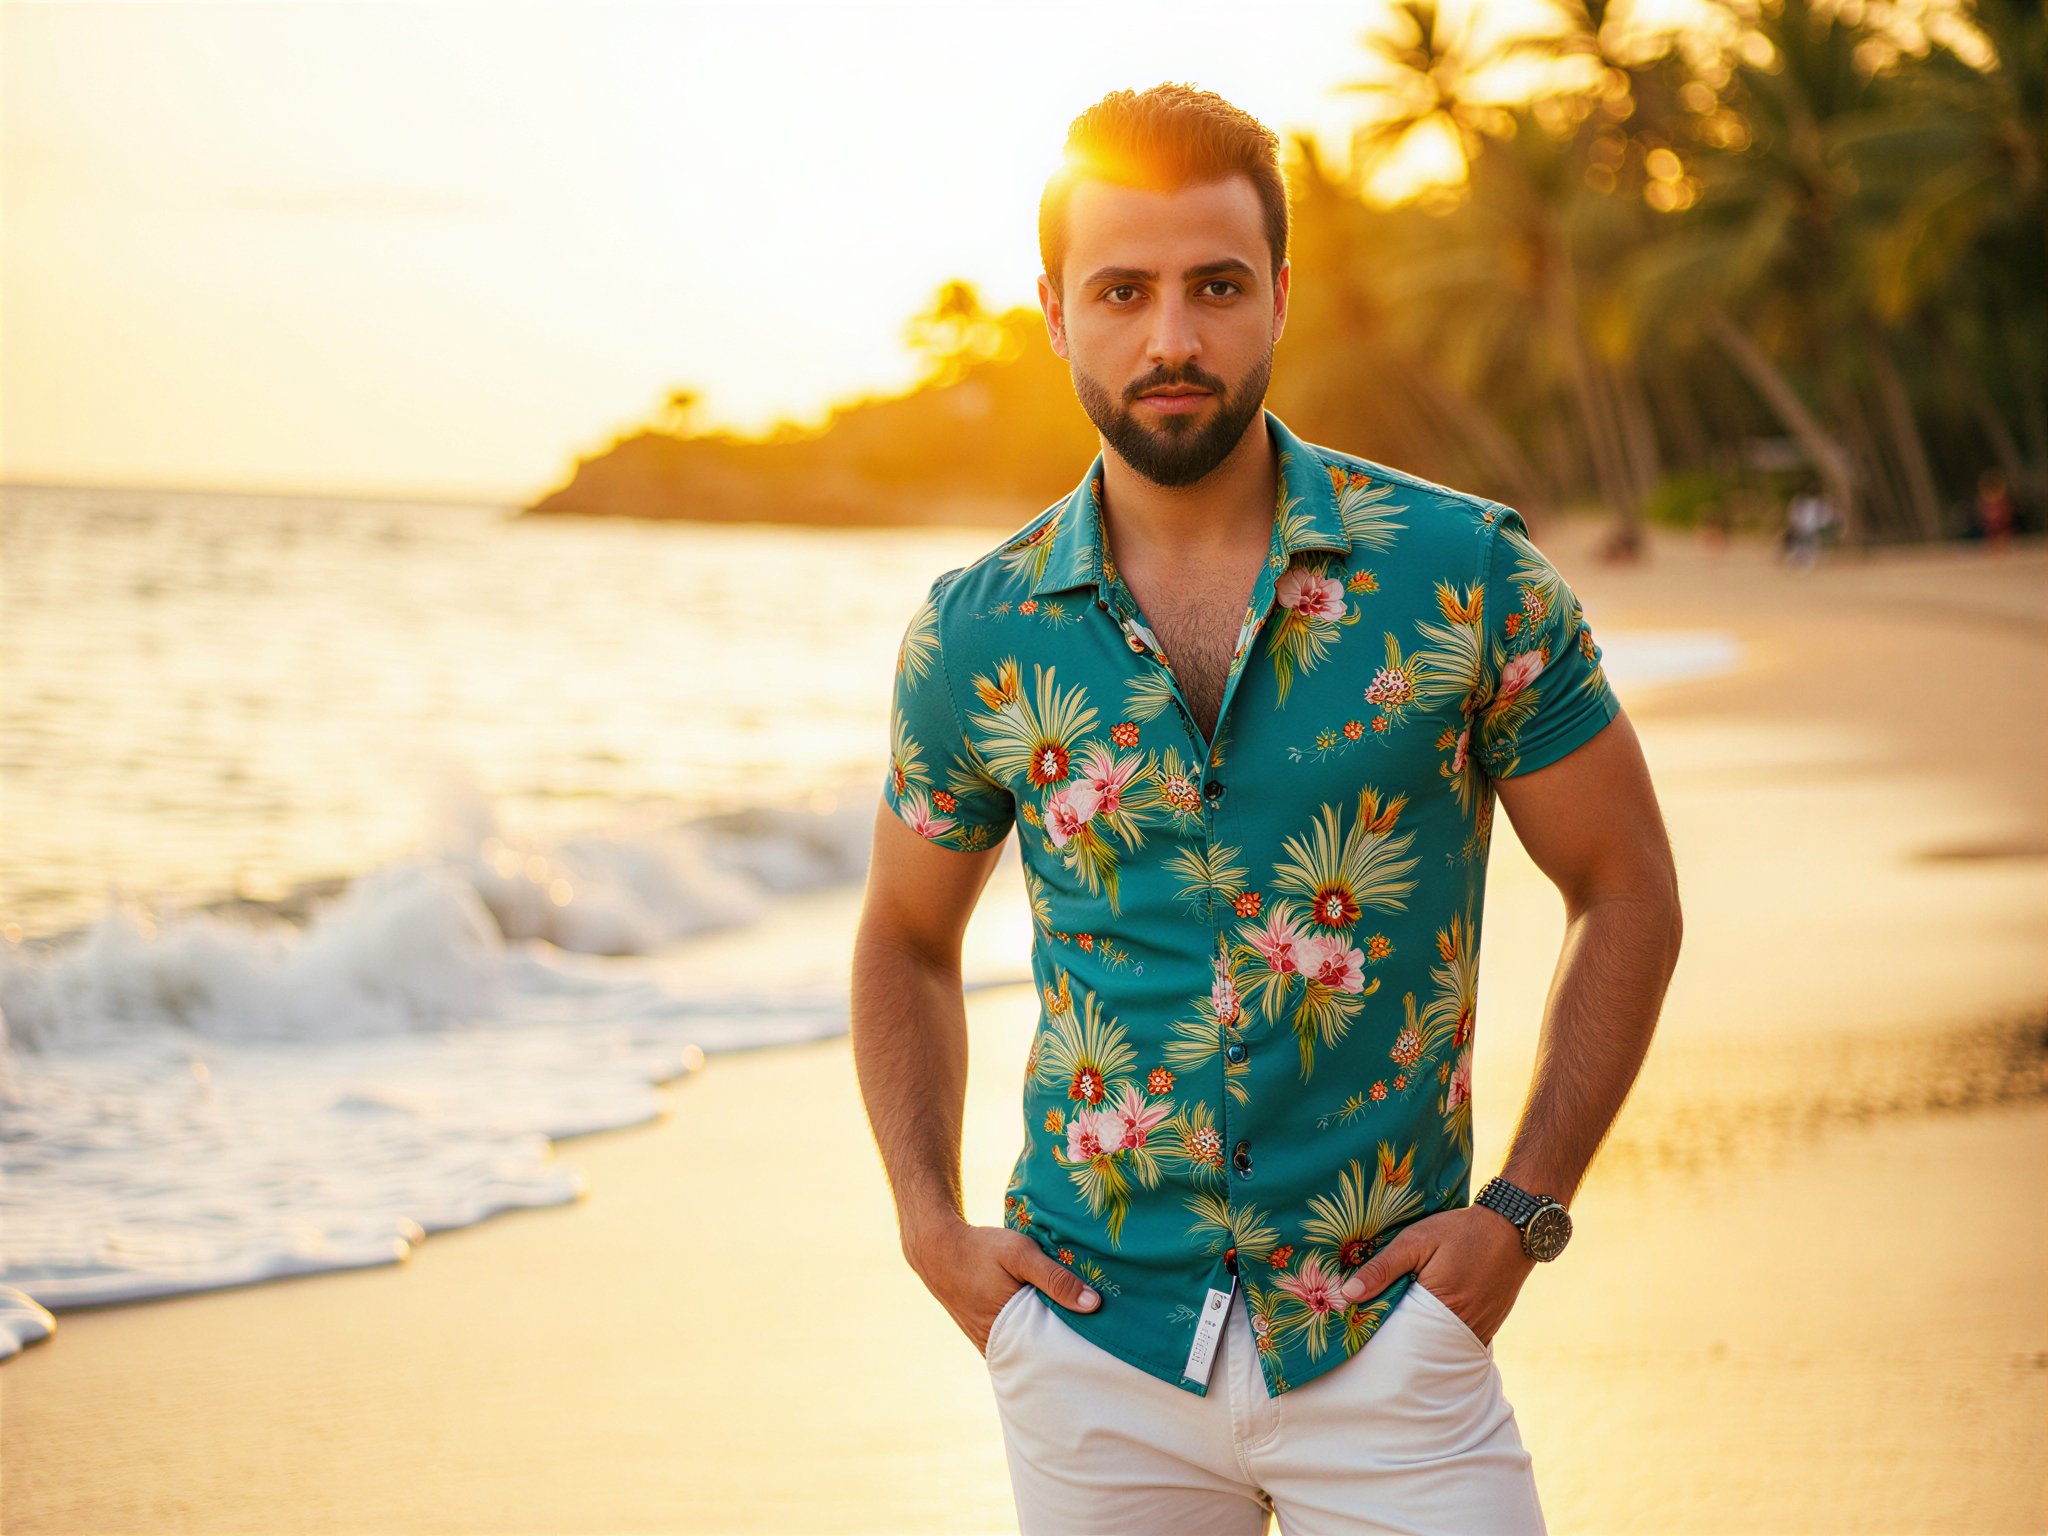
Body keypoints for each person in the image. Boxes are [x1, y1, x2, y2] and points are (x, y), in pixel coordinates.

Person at [851, 85, 1682, 1535]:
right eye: (1122, 292)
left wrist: (1524, 1213)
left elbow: (1627, 889)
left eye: (1215, 287)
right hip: (1094, 1348)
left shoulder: (1464, 577)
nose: (1170, 338)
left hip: (1390, 1335)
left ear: (1280, 296)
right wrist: (931, 1229)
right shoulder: (974, 635)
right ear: (1055, 315)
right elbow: (905, 942)